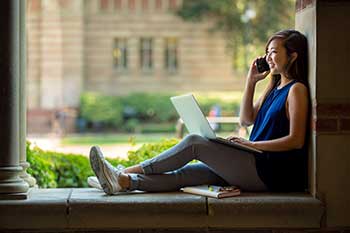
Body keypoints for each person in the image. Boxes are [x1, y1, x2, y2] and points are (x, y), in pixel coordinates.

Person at [89, 29, 309, 194]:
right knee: (186, 175)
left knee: (195, 142)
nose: (268, 57)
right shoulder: (273, 88)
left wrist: (251, 145)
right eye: (267, 52)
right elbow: (246, 119)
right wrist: (250, 82)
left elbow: (296, 141)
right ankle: (122, 183)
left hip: (269, 172)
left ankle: (124, 172)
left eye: (273, 52)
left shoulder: (296, 90)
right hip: (252, 163)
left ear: (293, 56)